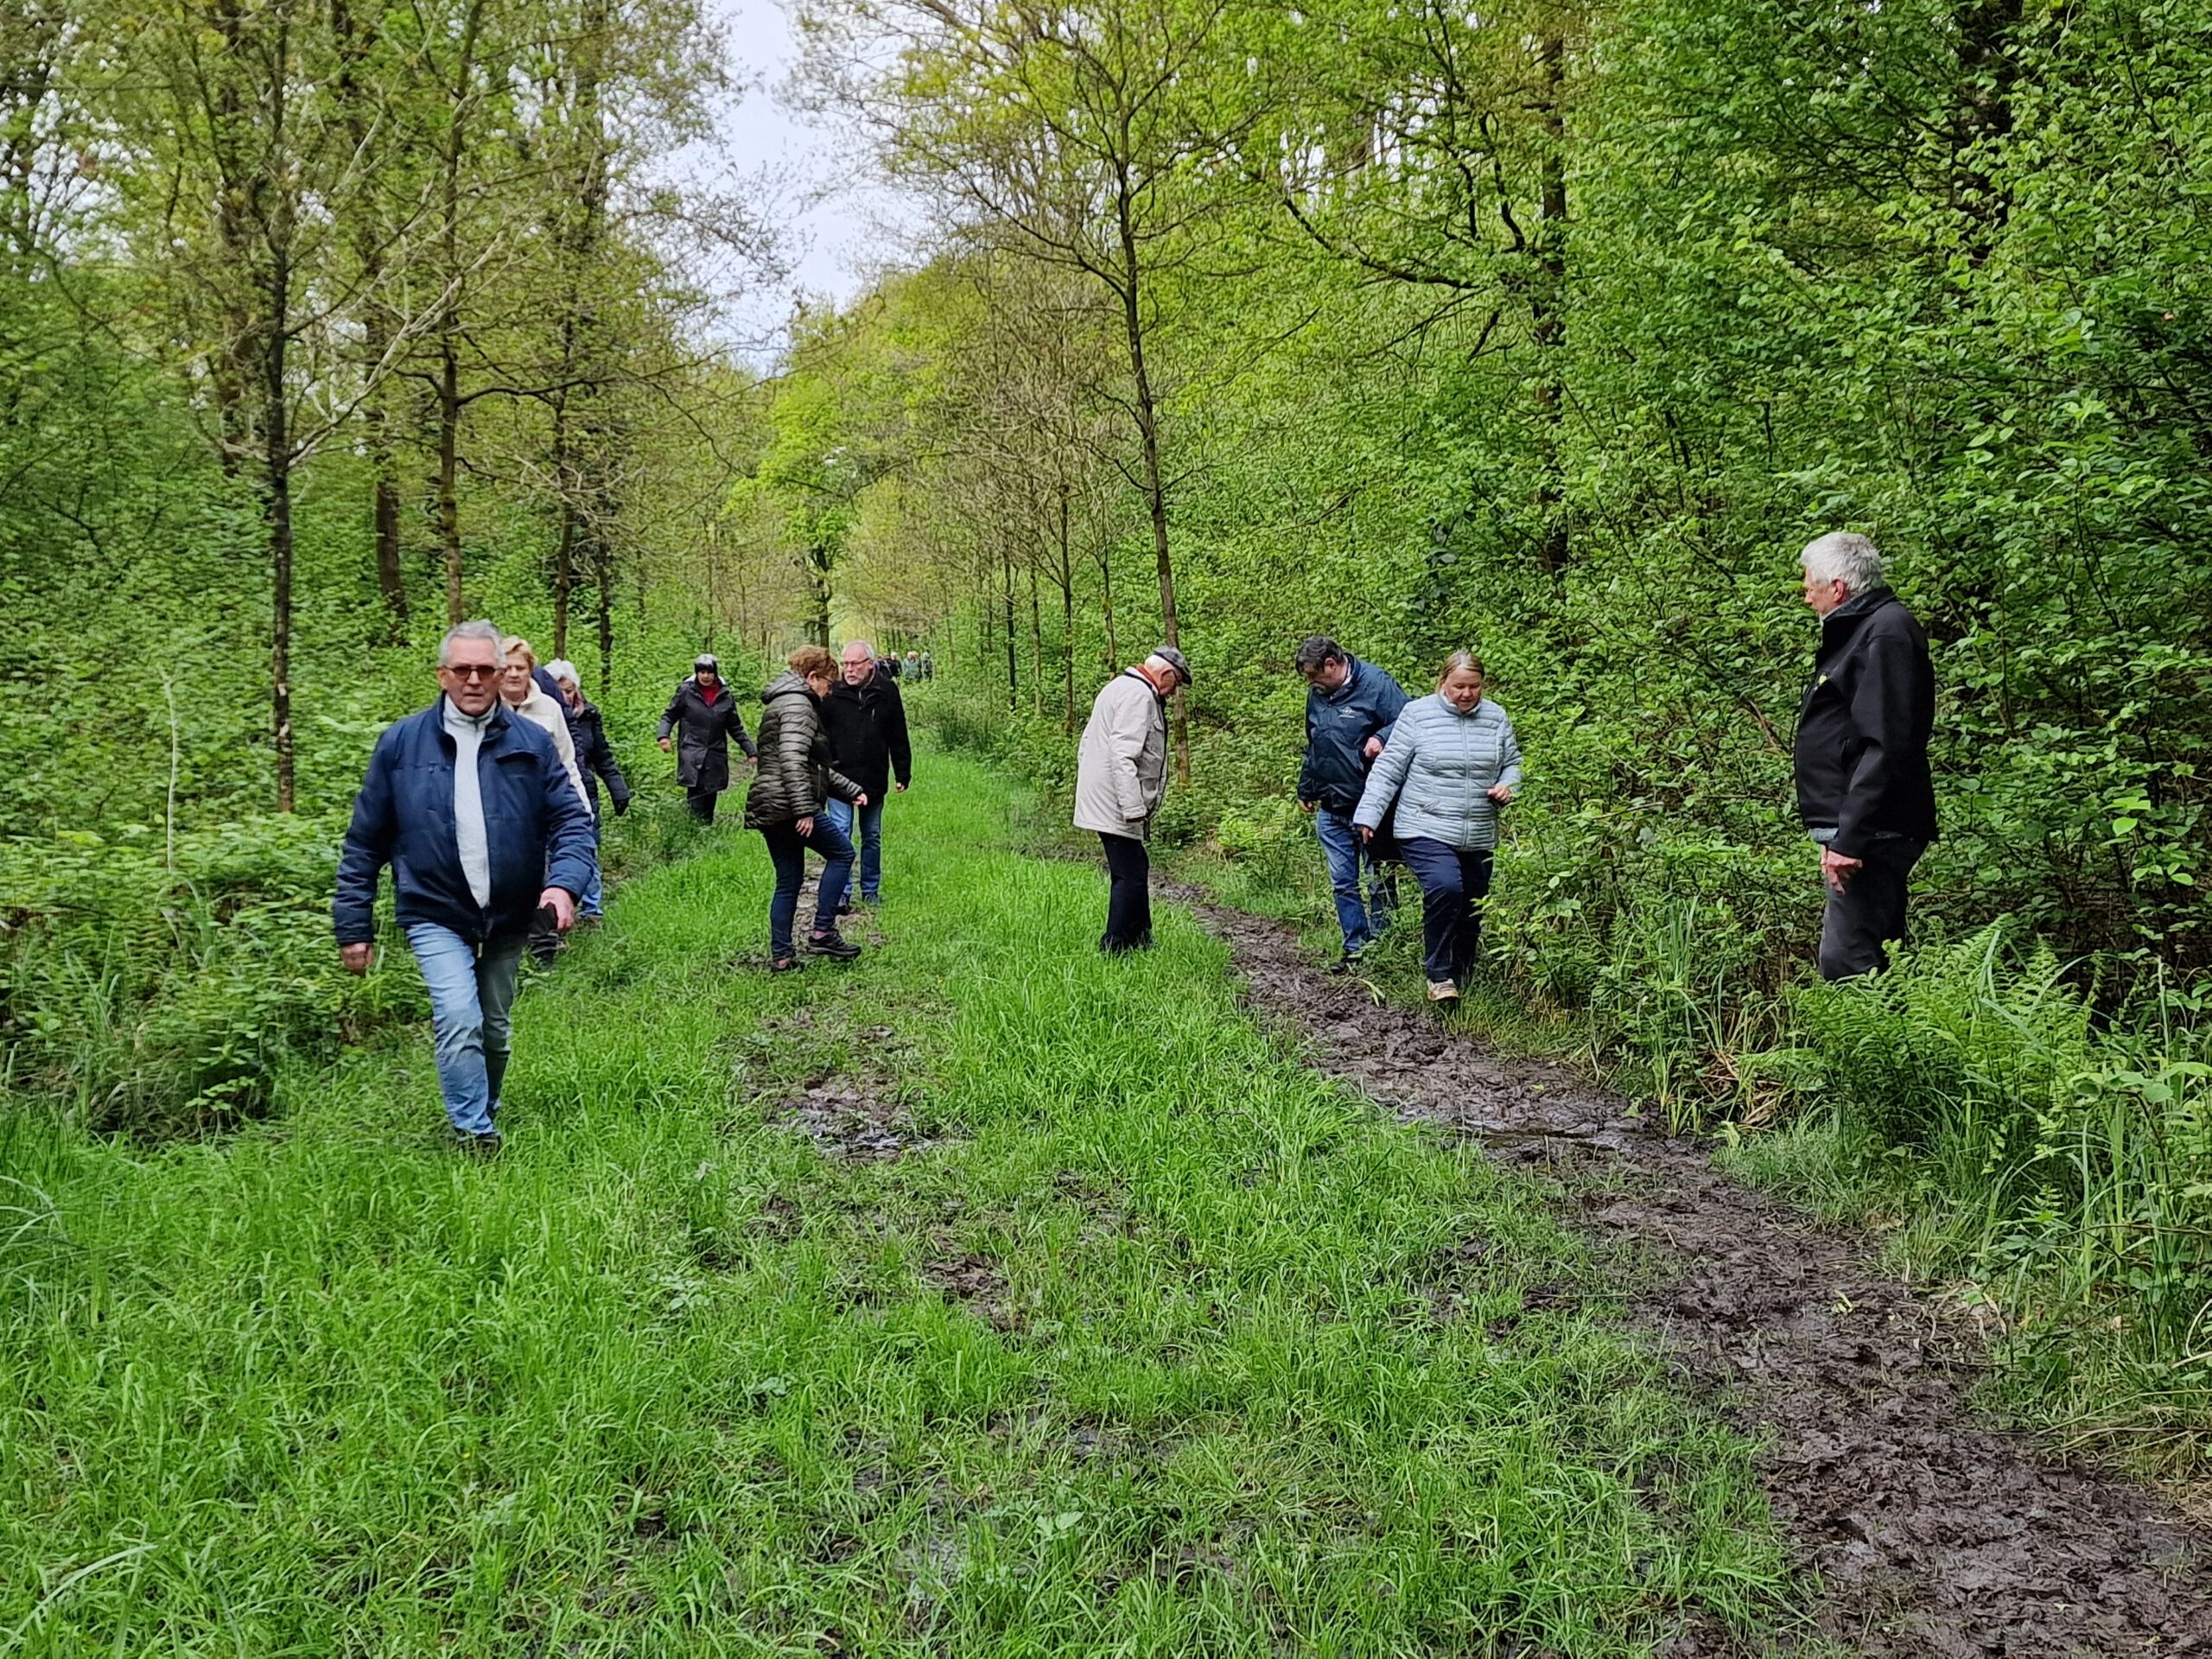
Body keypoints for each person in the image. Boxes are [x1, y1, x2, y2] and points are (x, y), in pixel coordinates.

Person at [333, 620, 594, 1156]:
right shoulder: (400, 745)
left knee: (494, 1026)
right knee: (458, 1015)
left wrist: (563, 886)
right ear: (442, 675)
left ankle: (485, 1109)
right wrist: (353, 924)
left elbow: (572, 821)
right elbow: (364, 841)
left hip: (511, 910)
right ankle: (474, 1132)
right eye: (462, 669)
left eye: (485, 669)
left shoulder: (531, 742)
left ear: (502, 675)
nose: (473, 679)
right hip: (434, 907)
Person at [1793, 531, 1938, 979]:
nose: (1806, 597)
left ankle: (1868, 1050)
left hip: (1876, 829)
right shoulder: (1867, 631)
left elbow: (1887, 744)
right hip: (1868, 826)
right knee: (1880, 951)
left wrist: (1851, 836)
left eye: (1809, 586)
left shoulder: (1884, 634)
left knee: (1848, 960)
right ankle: (1899, 1045)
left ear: (1837, 587)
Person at [1353, 650, 1521, 1003]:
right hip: (1423, 823)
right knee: (1446, 886)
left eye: (1474, 686)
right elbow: (1389, 769)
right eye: (1459, 686)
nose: (1466, 694)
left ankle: (1462, 976)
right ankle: (1439, 975)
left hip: (1476, 829)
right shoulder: (1417, 715)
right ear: (1443, 682)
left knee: (1473, 903)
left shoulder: (1496, 718)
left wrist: (1509, 787)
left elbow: (1512, 765)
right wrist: (1368, 814)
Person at [745, 645, 868, 970]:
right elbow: (793, 760)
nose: (829, 692)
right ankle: (823, 932)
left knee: (788, 880)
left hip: (769, 803)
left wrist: (850, 789)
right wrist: (804, 810)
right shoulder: (800, 705)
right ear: (812, 677)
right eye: (828, 684)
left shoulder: (782, 700)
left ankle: (782, 956)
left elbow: (814, 766)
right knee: (842, 854)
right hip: (788, 802)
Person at [1295, 635, 1410, 971]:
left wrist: (1381, 737)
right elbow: (1314, 742)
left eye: (1313, 675)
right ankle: (1355, 949)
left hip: (1373, 807)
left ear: (1331, 665)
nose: (1310, 683)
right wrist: (1307, 787)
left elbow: (1410, 721)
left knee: (1379, 879)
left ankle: (1385, 949)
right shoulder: (1317, 695)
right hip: (1331, 807)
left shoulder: (1377, 684)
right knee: (1343, 882)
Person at [1072, 646, 1191, 953]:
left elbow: (1086, 744)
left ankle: (1141, 936)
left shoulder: (1118, 686)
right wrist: (1133, 807)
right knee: (1129, 874)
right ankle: (1115, 946)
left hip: (1104, 795)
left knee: (1136, 866)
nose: (1174, 690)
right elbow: (1123, 755)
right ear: (1165, 674)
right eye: (1175, 683)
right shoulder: (1140, 696)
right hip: (1115, 801)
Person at [502, 638, 593, 964]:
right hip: (499, 809)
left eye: (520, 668)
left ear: (531, 671)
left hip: (542, 805)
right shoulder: (484, 709)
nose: (513, 674)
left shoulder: (549, 709)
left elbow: (568, 762)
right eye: (507, 667)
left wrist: (580, 806)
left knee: (542, 871)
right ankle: (509, 941)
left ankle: (543, 944)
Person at [820, 639, 913, 912]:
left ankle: (870, 890)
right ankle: (841, 893)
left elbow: (898, 734)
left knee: (871, 835)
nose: (849, 669)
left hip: (873, 777)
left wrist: (903, 772)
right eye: (845, 663)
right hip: (839, 777)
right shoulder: (833, 691)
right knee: (840, 833)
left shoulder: (886, 691)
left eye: (855, 663)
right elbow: (819, 734)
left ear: (869, 664)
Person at [550, 659, 629, 924]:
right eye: (560, 690)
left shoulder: (589, 714)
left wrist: (617, 788)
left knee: (587, 848)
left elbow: (602, 756)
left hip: (585, 792)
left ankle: (591, 910)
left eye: (570, 690)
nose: (566, 696)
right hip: (550, 796)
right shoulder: (540, 715)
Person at [658, 652, 756, 823]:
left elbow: (735, 728)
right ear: (696, 673)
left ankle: (706, 831)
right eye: (701, 672)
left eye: (709, 672)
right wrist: (663, 736)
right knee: (695, 794)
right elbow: (669, 716)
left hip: (715, 754)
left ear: (715, 673)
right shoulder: (686, 692)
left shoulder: (725, 696)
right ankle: (693, 832)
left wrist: (751, 751)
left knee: (710, 795)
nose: (705, 676)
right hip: (692, 752)